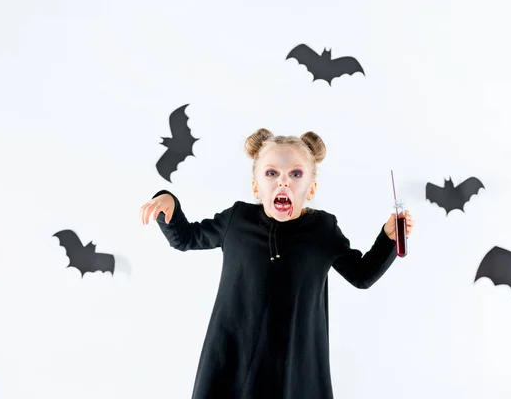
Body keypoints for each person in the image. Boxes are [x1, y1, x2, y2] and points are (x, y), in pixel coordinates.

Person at [139, 128, 415, 399]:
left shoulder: (323, 230)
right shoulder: (236, 220)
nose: (284, 182)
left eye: (296, 174)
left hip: (294, 362)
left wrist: (389, 238)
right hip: (234, 355)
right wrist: (169, 204)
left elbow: (362, 275)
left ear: (312, 188)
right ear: (256, 186)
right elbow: (186, 238)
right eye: (272, 173)